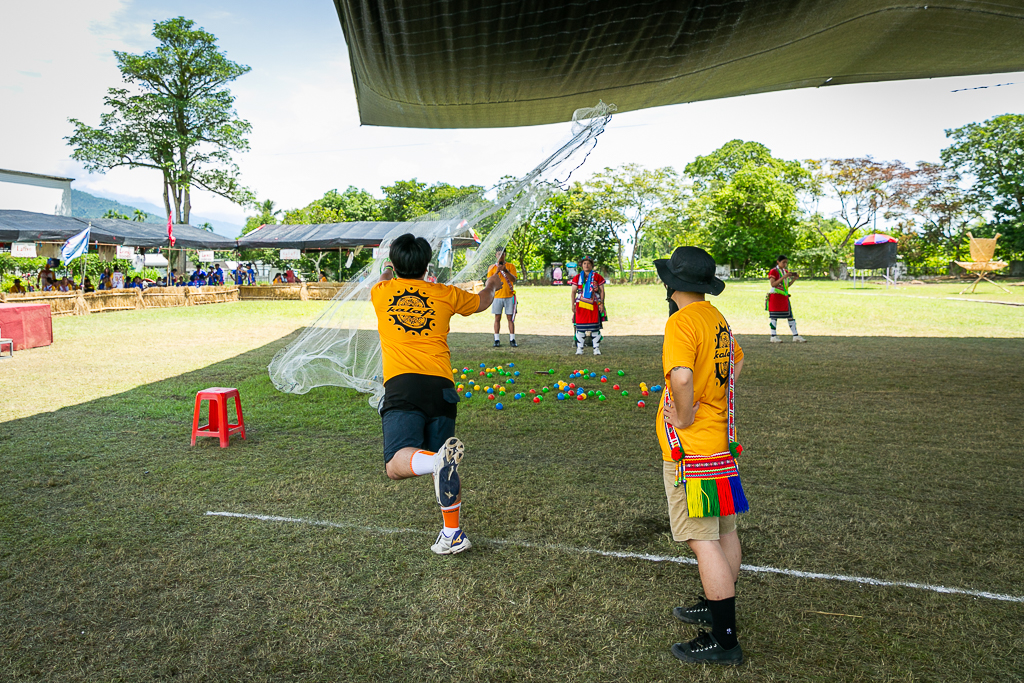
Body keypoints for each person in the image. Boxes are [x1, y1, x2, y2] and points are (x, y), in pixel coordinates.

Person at [370, 233, 502, 555]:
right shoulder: (445, 294)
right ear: (427, 264)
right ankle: (452, 533)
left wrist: (389, 267)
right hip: (442, 389)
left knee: (397, 463)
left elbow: (385, 275)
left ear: (395, 264)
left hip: (403, 386)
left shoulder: (382, 292)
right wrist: (493, 284)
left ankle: (448, 510)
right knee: (441, 464)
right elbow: (483, 301)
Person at [654, 246, 748, 666]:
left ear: (673, 284)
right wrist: (715, 399)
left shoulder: (681, 321)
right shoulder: (716, 318)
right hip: (719, 447)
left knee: (702, 540)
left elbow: (682, 375)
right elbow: (739, 361)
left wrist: (688, 410)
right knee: (724, 531)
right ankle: (717, 607)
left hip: (691, 452)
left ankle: (724, 639)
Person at [570, 256, 606, 355]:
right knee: (580, 328)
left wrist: (602, 303)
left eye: (588, 263)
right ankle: (579, 349)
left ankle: (596, 348)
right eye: (584, 263)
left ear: (592, 265)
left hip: (594, 305)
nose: (586, 265)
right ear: (581, 265)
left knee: (595, 328)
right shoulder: (577, 277)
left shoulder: (597, 277)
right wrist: (573, 304)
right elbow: (573, 292)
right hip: (580, 306)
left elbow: (602, 291)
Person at [766, 255, 805, 343]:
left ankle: (795, 335)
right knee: (774, 317)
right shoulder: (773, 271)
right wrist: (784, 276)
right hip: (775, 296)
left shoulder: (785, 271)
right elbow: (773, 284)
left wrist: (794, 279)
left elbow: (786, 285)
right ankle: (773, 336)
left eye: (786, 262)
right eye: (783, 262)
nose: (785, 264)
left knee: (790, 316)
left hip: (784, 296)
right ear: (778, 262)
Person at [486, 247, 518, 347]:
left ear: (505, 255)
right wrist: (497, 271)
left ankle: (512, 339)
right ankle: (496, 339)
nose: (500, 256)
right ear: (496, 255)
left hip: (509, 295)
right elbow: (489, 281)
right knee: (497, 317)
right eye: (498, 254)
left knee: (510, 318)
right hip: (497, 296)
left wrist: (506, 271)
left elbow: (514, 279)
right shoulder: (492, 267)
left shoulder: (511, 266)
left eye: (502, 254)